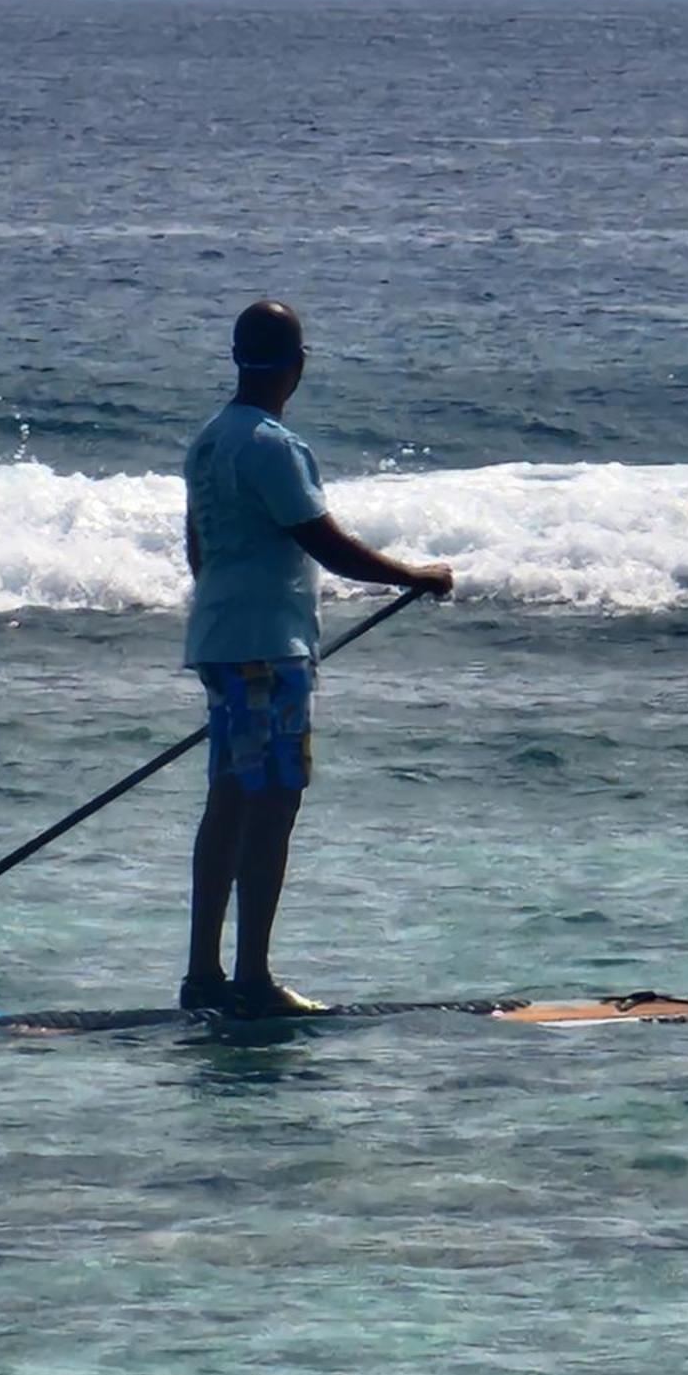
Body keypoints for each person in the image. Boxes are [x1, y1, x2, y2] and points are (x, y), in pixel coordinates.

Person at [181, 300, 453, 1017]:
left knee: (229, 806)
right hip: (270, 649)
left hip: (220, 640)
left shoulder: (210, 441)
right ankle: (252, 980)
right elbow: (323, 541)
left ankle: (204, 974)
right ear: (296, 365)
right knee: (272, 806)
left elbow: (198, 550)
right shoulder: (272, 445)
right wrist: (412, 575)